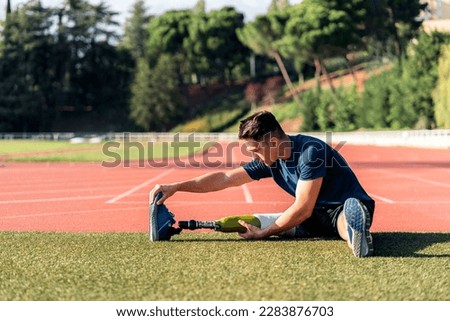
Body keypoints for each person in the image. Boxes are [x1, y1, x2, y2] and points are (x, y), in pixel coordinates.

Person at [149, 111, 375, 257]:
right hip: (312, 216)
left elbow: (303, 207)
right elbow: (225, 179)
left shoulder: (310, 152)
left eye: (255, 150)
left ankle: (356, 232)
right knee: (255, 220)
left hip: (338, 207)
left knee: (341, 221)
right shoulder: (271, 158)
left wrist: (264, 234)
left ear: (274, 142)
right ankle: (167, 227)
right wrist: (177, 186)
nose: (254, 157)